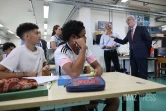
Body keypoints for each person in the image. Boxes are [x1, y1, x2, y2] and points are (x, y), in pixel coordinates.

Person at [54, 20, 119, 111]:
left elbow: (98, 66)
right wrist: (83, 48)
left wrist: (97, 71)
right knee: (80, 106)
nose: (86, 38)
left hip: (81, 85)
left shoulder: (85, 49)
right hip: (66, 89)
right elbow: (74, 74)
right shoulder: (61, 51)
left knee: (114, 100)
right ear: (74, 37)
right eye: (83, 35)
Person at [110, 15, 152, 79]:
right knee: (133, 74)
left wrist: (145, 50)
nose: (127, 21)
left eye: (128, 20)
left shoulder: (141, 28)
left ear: (133, 20)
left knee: (143, 74)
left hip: (141, 55)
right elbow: (123, 41)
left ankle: (144, 87)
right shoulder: (129, 32)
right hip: (133, 56)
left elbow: (149, 40)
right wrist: (115, 38)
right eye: (126, 21)